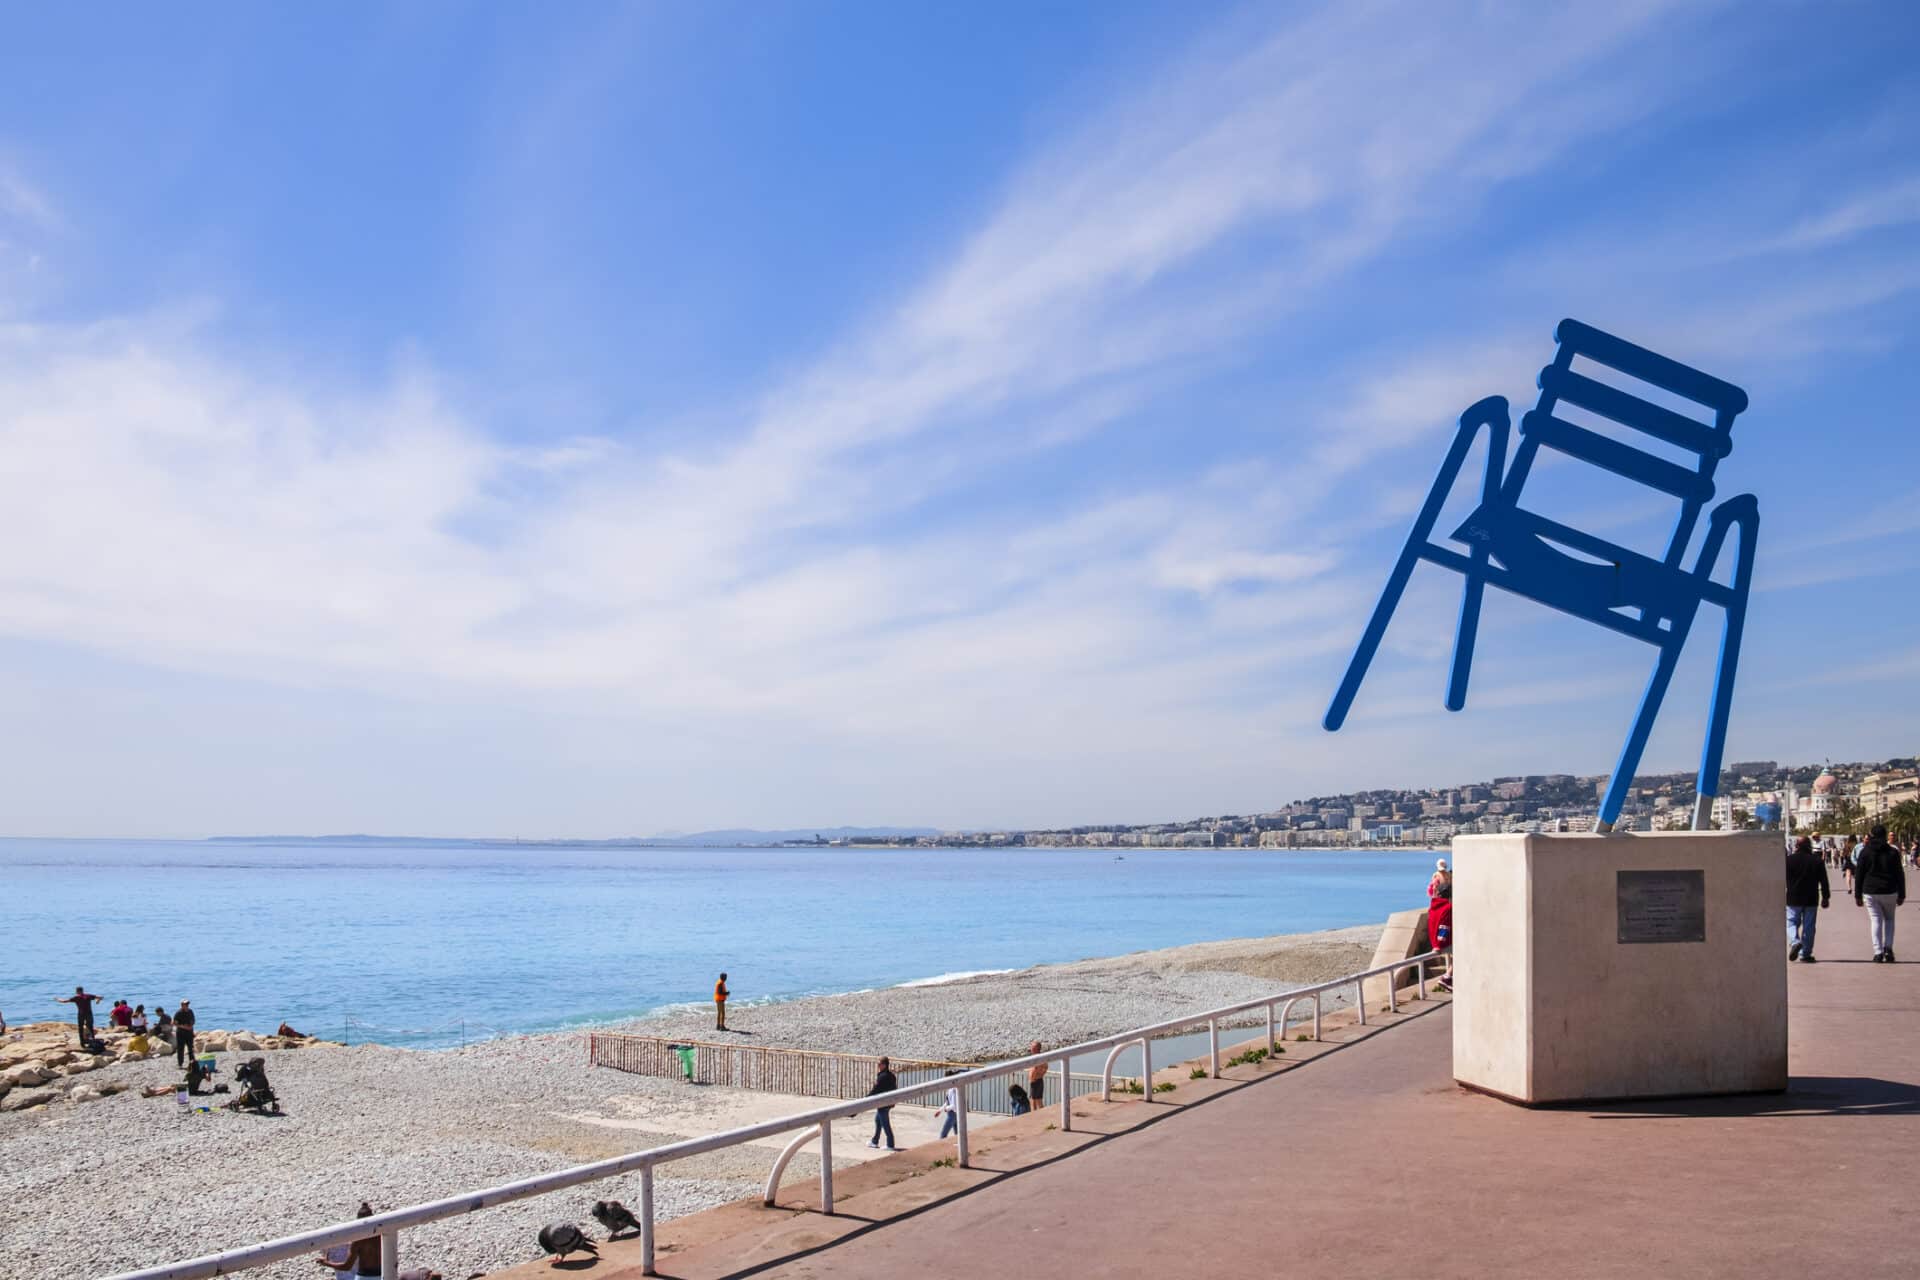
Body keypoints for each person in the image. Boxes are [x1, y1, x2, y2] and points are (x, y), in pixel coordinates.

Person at [1855, 823, 1906, 963]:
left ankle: (1878, 952)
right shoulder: (1893, 852)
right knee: (1889, 920)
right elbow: (1899, 874)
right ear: (1885, 836)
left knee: (1875, 920)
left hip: (1870, 891)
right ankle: (1888, 949)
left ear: (1871, 836)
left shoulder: (1865, 852)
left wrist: (1857, 895)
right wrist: (1902, 893)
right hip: (1890, 890)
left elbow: (1859, 874)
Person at [1785, 835, 1831, 962]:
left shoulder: (1789, 860)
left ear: (1796, 846)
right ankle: (1805, 954)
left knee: (1790, 922)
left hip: (1793, 898)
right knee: (1809, 926)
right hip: (1811, 898)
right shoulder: (1817, 861)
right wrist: (1826, 897)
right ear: (1809, 846)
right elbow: (1824, 881)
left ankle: (1795, 942)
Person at [315, 1203, 381, 1278]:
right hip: (382, 1275)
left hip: (365, 1276)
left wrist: (326, 1263)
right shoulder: (382, 1236)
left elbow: (347, 1267)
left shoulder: (358, 1241)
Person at [866, 1056, 898, 1150]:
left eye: (879, 1064)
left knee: (885, 1123)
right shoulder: (891, 1076)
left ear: (884, 1065)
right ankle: (874, 1141)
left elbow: (876, 1090)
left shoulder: (882, 1077)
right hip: (889, 1102)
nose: (878, 1065)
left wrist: (866, 1099)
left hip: (883, 1103)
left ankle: (890, 1144)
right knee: (878, 1120)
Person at [1428, 882, 1454, 992]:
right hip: (1442, 943)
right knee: (1463, 953)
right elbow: (1444, 926)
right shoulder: (1448, 907)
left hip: (1434, 941)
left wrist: (1435, 944)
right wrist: (1439, 944)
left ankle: (1449, 978)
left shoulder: (1433, 907)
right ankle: (1447, 977)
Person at [935, 1071, 961, 1140]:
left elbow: (954, 1105)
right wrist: (940, 1110)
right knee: (958, 1135)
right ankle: (961, 1148)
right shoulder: (951, 1088)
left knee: (943, 1135)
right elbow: (947, 1102)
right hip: (955, 1114)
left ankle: (941, 1149)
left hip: (952, 1115)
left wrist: (946, 1109)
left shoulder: (953, 1090)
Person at [174, 999, 197, 1067]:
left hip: (189, 1033)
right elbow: (174, 1023)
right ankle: (180, 1064)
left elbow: (193, 1020)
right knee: (181, 1049)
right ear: (182, 1005)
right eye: (185, 1004)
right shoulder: (178, 1013)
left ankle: (192, 1063)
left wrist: (191, 1025)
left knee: (191, 1048)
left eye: (187, 1004)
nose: (187, 1006)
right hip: (181, 1033)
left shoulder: (190, 1011)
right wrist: (184, 1027)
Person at [1026, 1041, 1048, 1111]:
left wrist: (1034, 1076)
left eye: (1032, 1047)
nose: (1031, 1049)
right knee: (1038, 1101)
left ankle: (1034, 1118)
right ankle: (1041, 1117)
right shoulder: (1041, 1057)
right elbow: (1045, 1067)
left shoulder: (1037, 1058)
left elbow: (1038, 1069)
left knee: (1033, 1102)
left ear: (1036, 1049)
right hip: (1038, 1080)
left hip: (1035, 1081)